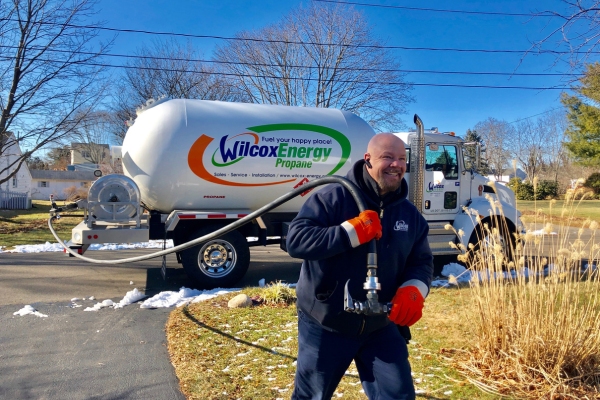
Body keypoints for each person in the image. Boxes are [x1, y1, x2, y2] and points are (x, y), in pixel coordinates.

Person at [286, 133, 434, 400]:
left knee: (399, 395)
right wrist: (349, 232)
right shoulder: (332, 197)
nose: (396, 164)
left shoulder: (410, 215)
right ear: (368, 160)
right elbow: (296, 241)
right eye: (387, 157)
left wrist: (414, 289)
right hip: (326, 322)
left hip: (381, 326)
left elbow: (421, 262)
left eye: (402, 158)